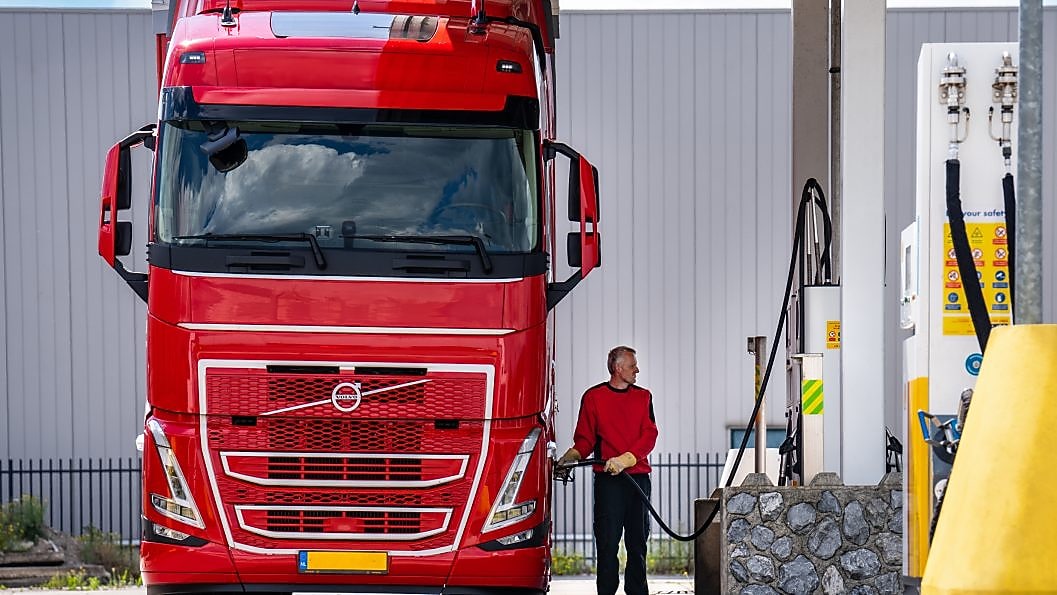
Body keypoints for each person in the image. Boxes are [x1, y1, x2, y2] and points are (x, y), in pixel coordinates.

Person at [558, 346, 658, 595]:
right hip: (608, 482)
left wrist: (627, 458)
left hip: (637, 480)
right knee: (607, 543)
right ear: (617, 368)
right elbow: (585, 440)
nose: (637, 370)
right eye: (632, 365)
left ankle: (637, 592)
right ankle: (606, 592)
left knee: (637, 543)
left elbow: (649, 435)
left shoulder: (643, 397)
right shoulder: (594, 397)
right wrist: (571, 457)